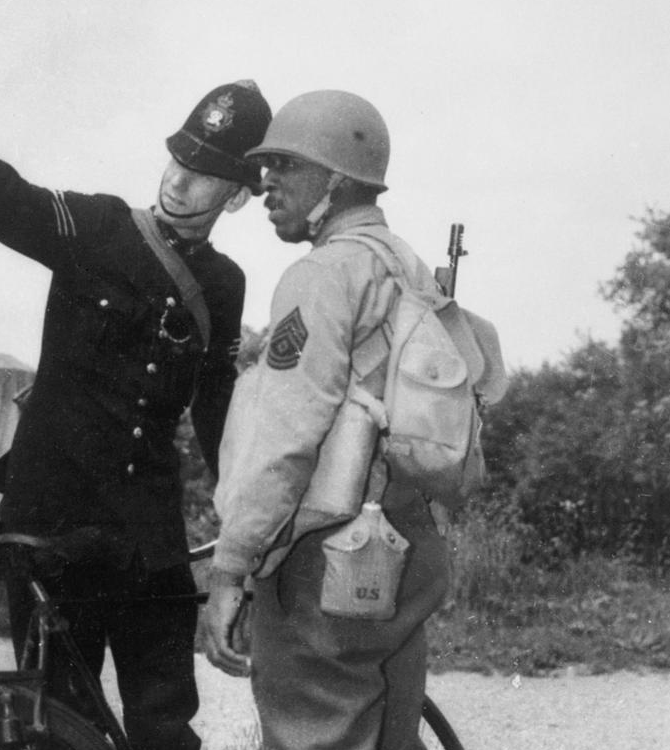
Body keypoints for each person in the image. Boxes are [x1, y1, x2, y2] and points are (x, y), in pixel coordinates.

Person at [0, 28, 271, 750]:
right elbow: (2, 195)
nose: (179, 179)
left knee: (166, 725)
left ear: (237, 198)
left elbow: (217, 405)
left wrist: (246, 523)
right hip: (56, 521)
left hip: (145, 537)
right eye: (180, 156)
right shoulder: (97, 228)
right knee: (50, 729)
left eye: (205, 174)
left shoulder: (223, 286)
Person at [202, 90, 452, 750]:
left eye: (284, 164)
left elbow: (284, 439)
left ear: (335, 179)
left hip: (331, 560)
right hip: (406, 540)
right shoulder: (409, 267)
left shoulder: (321, 275)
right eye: (263, 167)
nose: (265, 183)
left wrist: (230, 568)